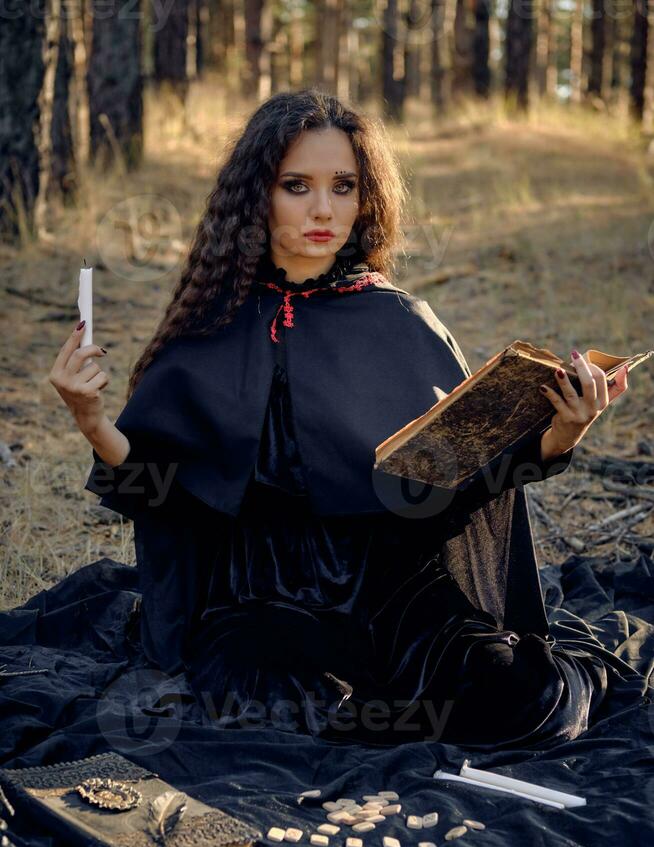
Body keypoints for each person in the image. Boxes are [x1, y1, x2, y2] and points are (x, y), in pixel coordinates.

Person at [49, 89, 639, 751]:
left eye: (343, 186)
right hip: (262, 601)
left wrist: (561, 434)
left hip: (392, 588)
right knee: (258, 707)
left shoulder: (400, 323)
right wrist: (92, 418)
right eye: (296, 186)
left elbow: (449, 495)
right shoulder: (210, 328)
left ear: (366, 199)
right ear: (256, 197)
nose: (323, 209)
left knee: (519, 697)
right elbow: (165, 500)